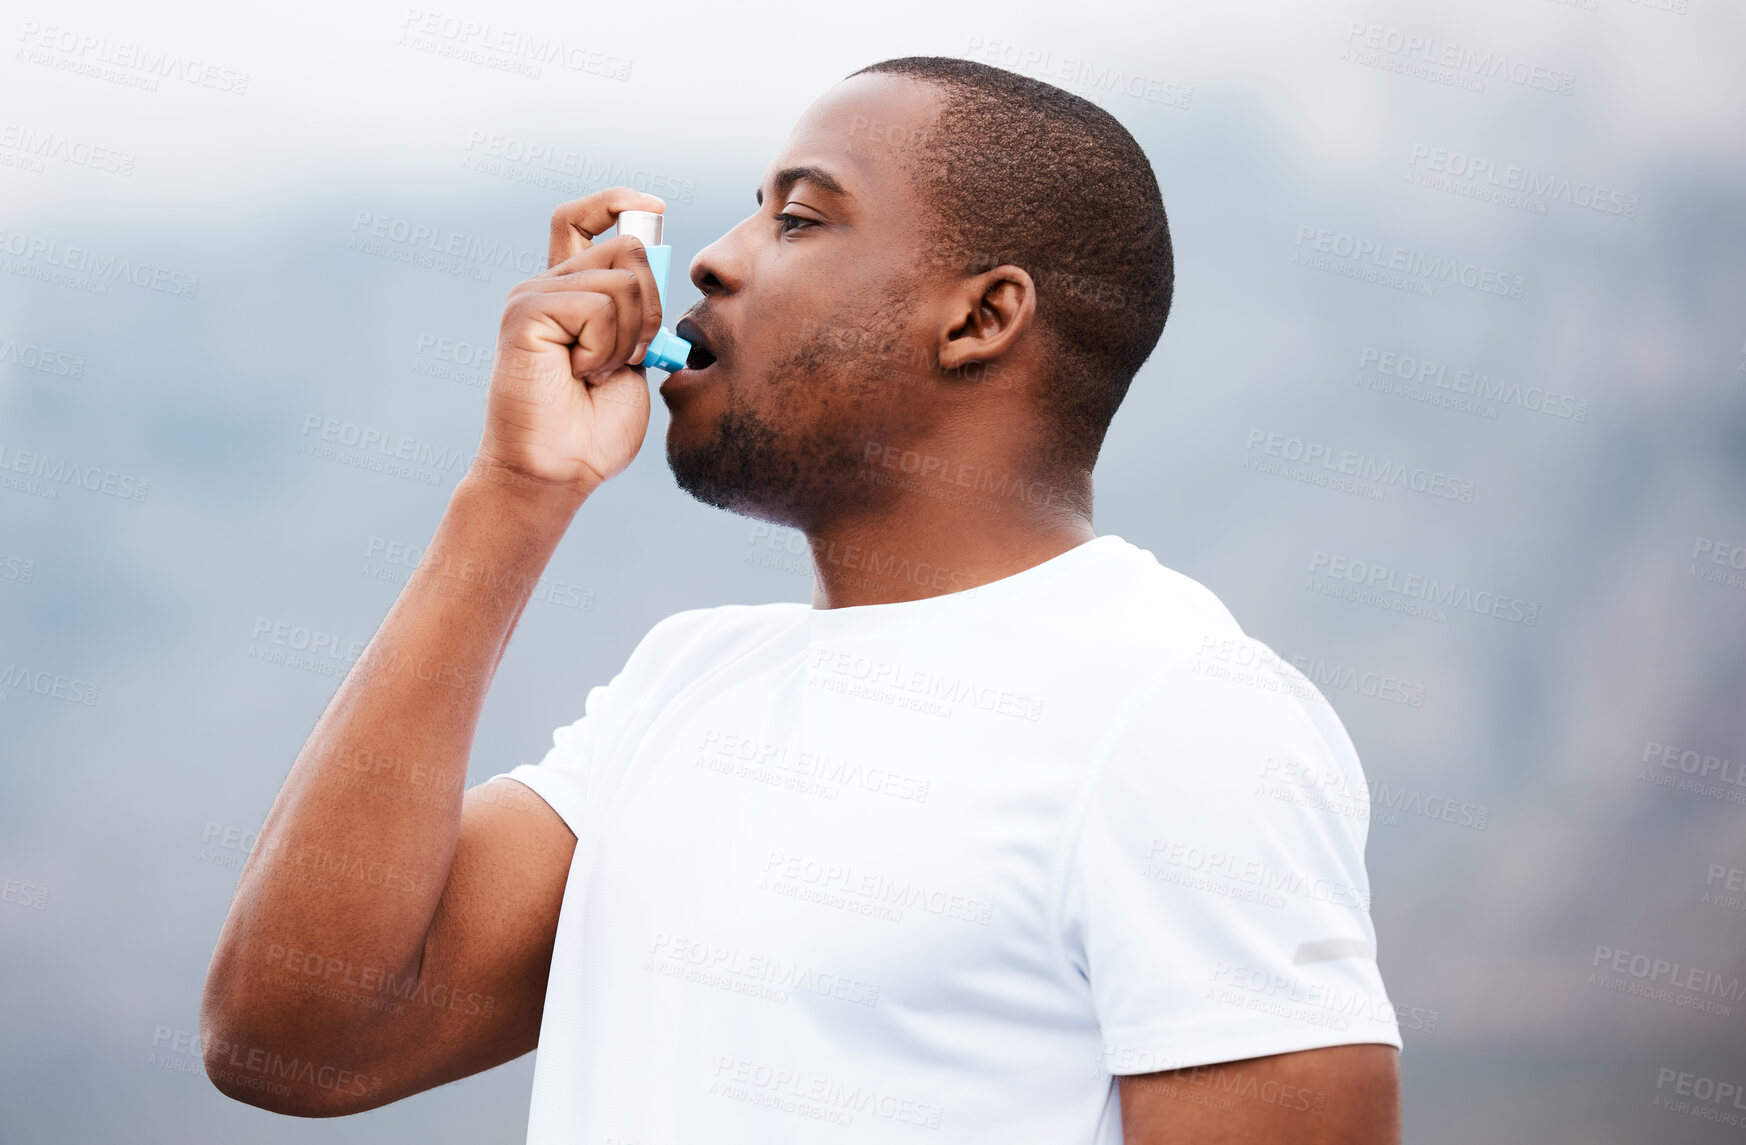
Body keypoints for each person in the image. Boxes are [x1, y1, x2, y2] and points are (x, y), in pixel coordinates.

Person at [201, 56, 1403, 1143]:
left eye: (798, 215)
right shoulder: (684, 681)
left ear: (981, 317)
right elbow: (294, 1033)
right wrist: (515, 492)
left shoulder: (1178, 716)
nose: (717, 256)